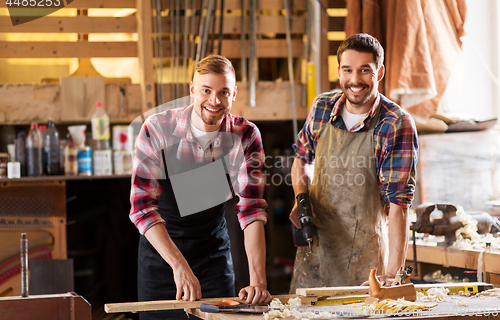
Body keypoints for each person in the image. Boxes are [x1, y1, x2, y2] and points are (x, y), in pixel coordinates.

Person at [130, 55, 272, 319]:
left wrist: (258, 282)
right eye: (206, 90)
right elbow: (142, 209)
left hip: (212, 259)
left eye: (223, 92)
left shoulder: (246, 136)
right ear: (192, 89)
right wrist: (179, 266)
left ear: (233, 94)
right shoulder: (158, 129)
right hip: (163, 260)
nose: (214, 101)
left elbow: (251, 210)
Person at [289, 33, 418, 292]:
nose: (355, 80)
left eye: (365, 71)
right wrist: (302, 199)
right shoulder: (322, 107)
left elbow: (399, 204)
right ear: (338, 71)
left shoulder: (395, 123)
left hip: (367, 261)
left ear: (379, 72)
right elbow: (301, 160)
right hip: (316, 253)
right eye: (348, 70)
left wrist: (392, 274)